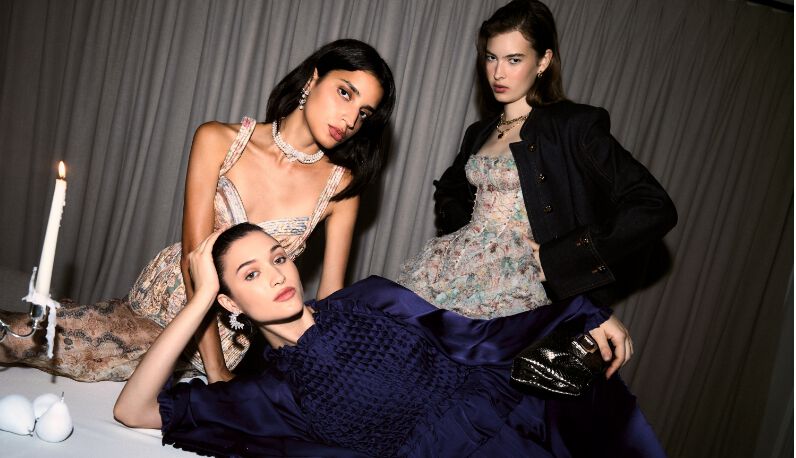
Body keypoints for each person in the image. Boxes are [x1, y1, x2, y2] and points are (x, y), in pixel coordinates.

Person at [0, 39, 395, 383]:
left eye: (364, 113)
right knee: (38, 342)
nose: (350, 119)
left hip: (230, 335)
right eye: (345, 93)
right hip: (167, 303)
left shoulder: (341, 187)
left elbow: (330, 300)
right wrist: (215, 369)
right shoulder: (218, 139)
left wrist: (325, 376)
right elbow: (194, 256)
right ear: (313, 78)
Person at [114, 222, 666, 457]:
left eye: (278, 258)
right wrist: (199, 299)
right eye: (251, 274)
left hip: (518, 425)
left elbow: (475, 337)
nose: (278, 275)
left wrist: (583, 315)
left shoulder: (369, 298)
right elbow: (132, 409)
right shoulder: (269, 392)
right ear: (230, 302)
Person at [398, 0, 676, 373]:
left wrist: (558, 259)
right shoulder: (479, 131)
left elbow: (654, 207)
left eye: (514, 60)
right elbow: (450, 187)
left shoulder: (572, 126)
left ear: (543, 61)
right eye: (491, 58)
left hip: (519, 294)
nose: (498, 72)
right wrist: (471, 237)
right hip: (455, 275)